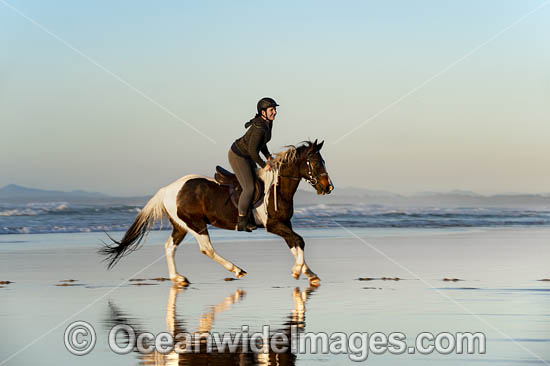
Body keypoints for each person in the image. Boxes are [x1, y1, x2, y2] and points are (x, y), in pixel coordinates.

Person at [228, 97, 279, 231]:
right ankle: (241, 221)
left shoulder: (267, 123)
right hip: (238, 156)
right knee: (249, 188)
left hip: (249, 155)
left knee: (258, 183)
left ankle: (252, 217)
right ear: (263, 112)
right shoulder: (259, 127)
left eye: (275, 109)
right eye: (271, 110)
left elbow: (261, 143)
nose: (274, 112)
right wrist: (264, 164)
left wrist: (268, 155)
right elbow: (252, 149)